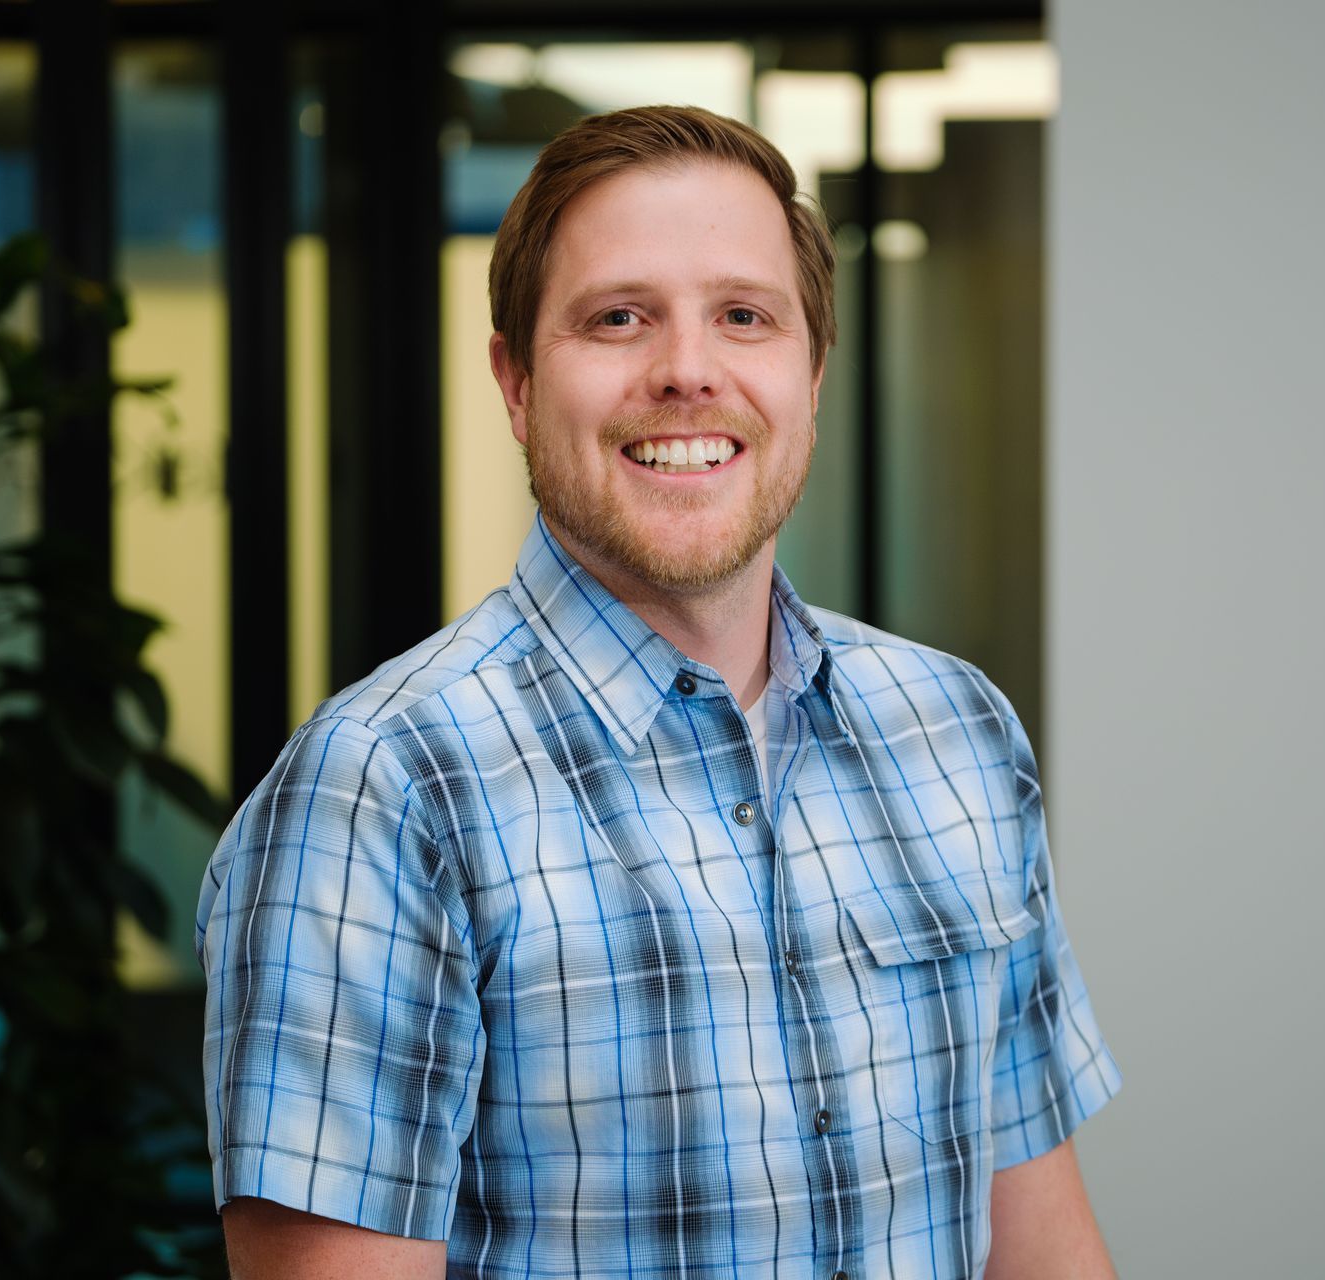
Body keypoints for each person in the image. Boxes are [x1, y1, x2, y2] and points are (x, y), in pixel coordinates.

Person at [197, 104, 1121, 1279]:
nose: (688, 371)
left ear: (813, 372)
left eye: (744, 316)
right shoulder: (383, 790)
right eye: (618, 318)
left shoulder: (958, 731)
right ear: (517, 381)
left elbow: (1044, 1250)